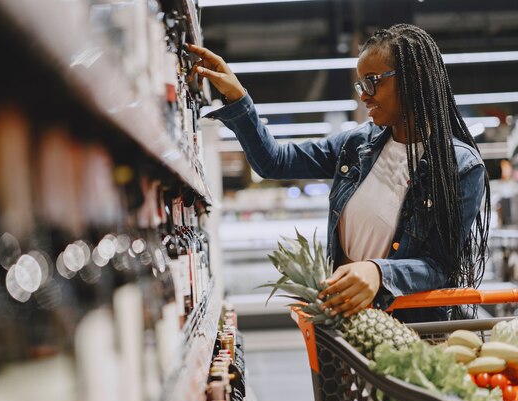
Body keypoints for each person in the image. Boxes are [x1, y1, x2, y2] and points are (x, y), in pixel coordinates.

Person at [188, 23, 490, 322]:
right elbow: (274, 161)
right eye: (360, 85)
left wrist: (378, 272)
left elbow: (439, 266)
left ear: (416, 78)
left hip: (410, 331)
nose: (364, 95)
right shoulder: (357, 145)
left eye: (372, 82)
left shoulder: (460, 167)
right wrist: (238, 98)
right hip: (346, 325)